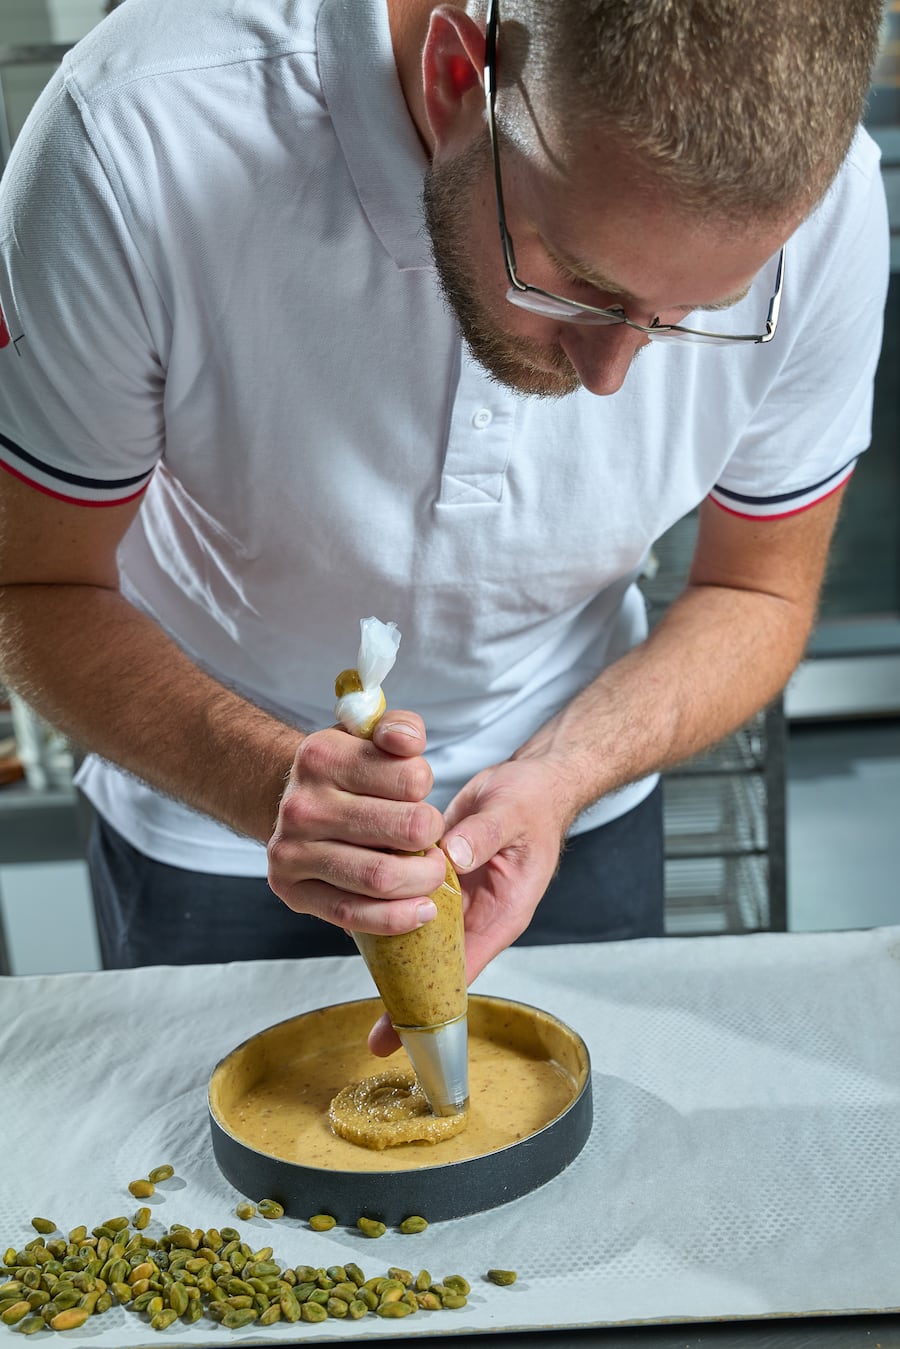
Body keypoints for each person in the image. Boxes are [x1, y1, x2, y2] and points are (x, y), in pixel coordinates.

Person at [0, 0, 888, 1038]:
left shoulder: (830, 210)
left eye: (692, 314)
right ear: (456, 79)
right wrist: (266, 778)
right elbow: (32, 580)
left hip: (570, 819)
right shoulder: (134, 131)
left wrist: (562, 776)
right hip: (211, 833)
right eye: (581, 283)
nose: (612, 375)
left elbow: (758, 587)